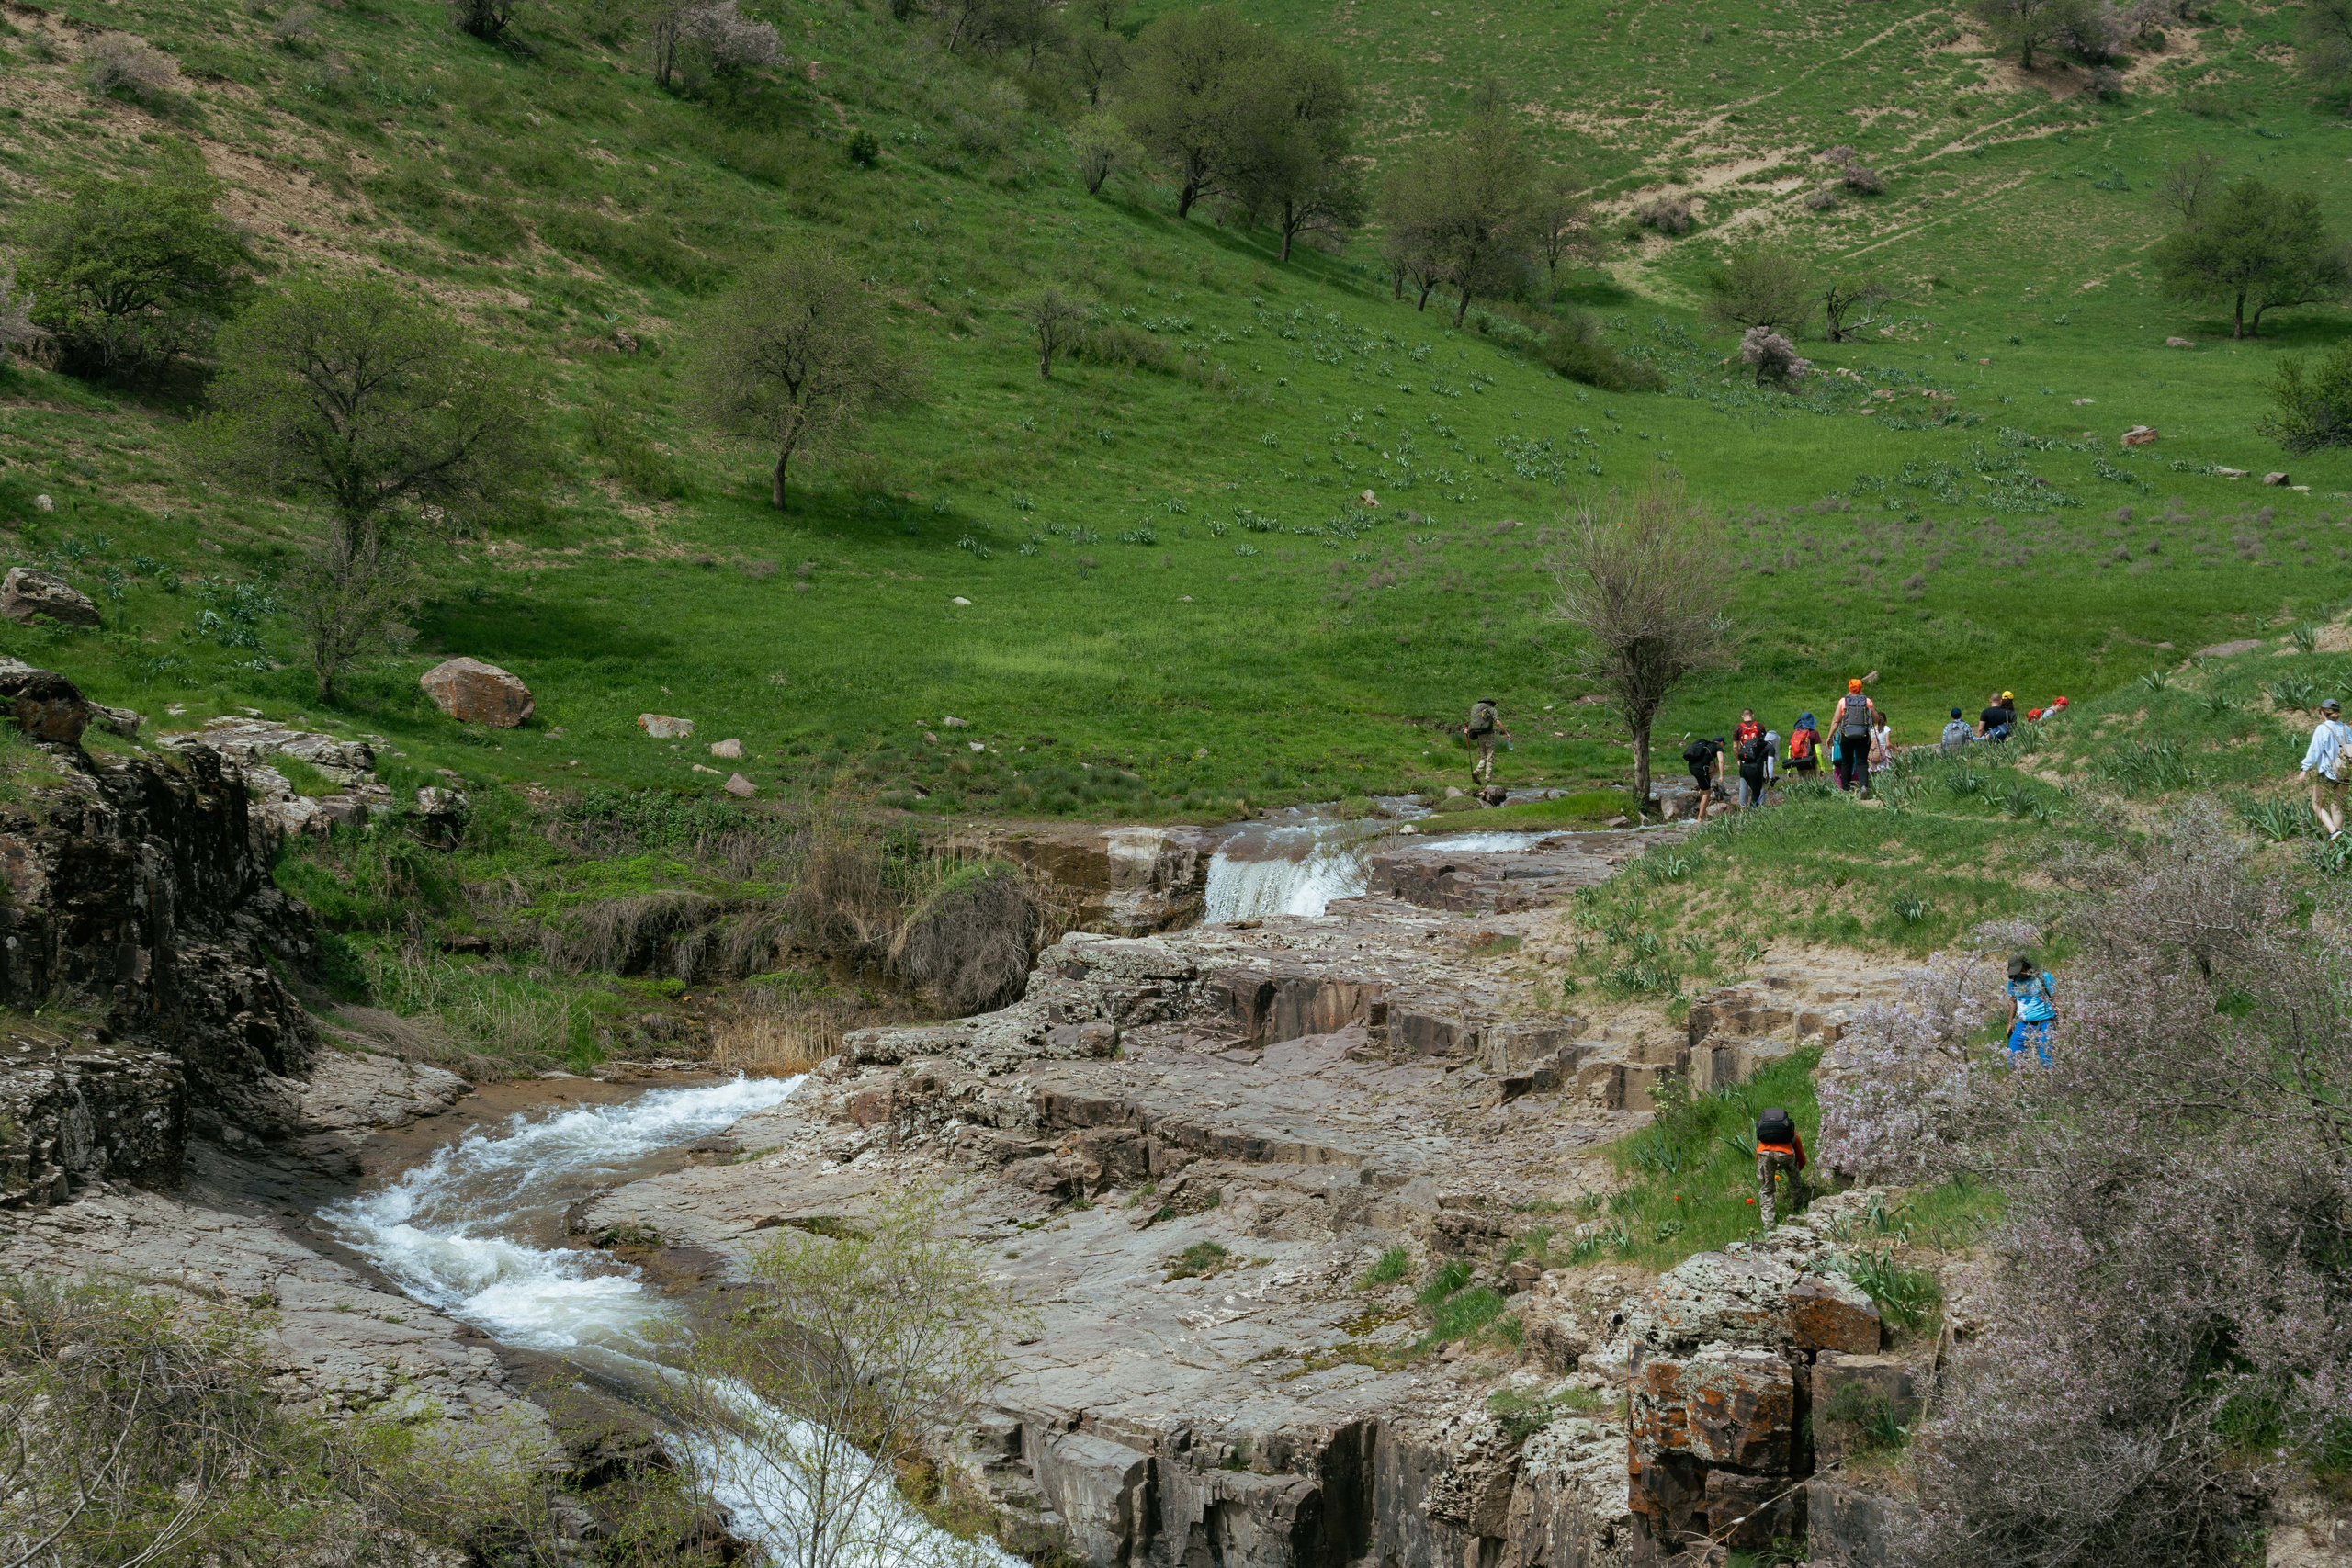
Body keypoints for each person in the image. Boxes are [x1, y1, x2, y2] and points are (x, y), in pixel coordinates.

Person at [2301, 695, 2352, 840]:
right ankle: (2338, 843)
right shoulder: (2346, 728)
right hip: (2346, 772)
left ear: (2322, 713)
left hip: (2328, 773)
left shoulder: (2322, 729)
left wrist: (2305, 769)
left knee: (2317, 805)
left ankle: (2333, 831)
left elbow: (2314, 751)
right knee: (2336, 807)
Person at [1755, 1105, 1806, 1227]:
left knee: (1767, 1189)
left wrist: (1764, 1171)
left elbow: (1759, 1156)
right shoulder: (1791, 1133)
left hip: (1764, 1153)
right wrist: (1797, 1170)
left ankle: (1768, 1225)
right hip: (1786, 1154)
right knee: (1794, 1181)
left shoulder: (1764, 1135)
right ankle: (1798, 1210)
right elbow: (1800, 1154)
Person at [2006, 953, 2057, 1066]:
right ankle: (2020, 1081)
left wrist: (2063, 1019)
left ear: (2026, 965)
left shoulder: (2043, 977)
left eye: (2020, 970)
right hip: (2023, 1024)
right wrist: (2010, 1022)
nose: (2019, 973)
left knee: (2047, 1058)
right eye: (2016, 971)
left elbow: (2056, 997)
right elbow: (2013, 1001)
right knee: (2014, 1055)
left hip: (2045, 1022)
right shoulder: (2013, 981)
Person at [1831, 680, 1877, 795]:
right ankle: (1864, 787)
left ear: (1849, 688)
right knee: (1861, 762)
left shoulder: (1843, 702)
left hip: (1846, 736)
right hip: (1863, 736)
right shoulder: (1867, 701)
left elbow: (1836, 720)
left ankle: (1846, 790)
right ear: (1861, 688)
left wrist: (1829, 736)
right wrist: (1871, 710)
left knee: (1846, 762)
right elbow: (1876, 720)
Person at [1682, 733, 1725, 822]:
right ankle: (1700, 819)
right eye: (1723, 744)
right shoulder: (1718, 747)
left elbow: (1717, 765)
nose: (1723, 746)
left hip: (1692, 766)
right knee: (1707, 793)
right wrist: (1721, 775)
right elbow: (1721, 761)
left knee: (1715, 767)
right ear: (1721, 743)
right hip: (1700, 769)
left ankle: (1702, 787)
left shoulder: (1707, 745)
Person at [1465, 697, 1500, 784]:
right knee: (1490, 756)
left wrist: (1467, 730)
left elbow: (1472, 723)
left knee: (1483, 756)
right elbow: (1498, 722)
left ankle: (1476, 772)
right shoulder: (1491, 709)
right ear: (1489, 703)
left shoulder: (1478, 710)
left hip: (1480, 735)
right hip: (1489, 735)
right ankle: (1488, 779)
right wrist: (1507, 733)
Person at [1736, 725, 1771, 809]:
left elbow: (1735, 747)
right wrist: (1769, 776)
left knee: (1744, 785)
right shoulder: (1765, 745)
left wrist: (1738, 760)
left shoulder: (1748, 743)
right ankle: (1759, 808)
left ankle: (1742, 807)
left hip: (1743, 767)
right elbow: (1768, 763)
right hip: (1755, 769)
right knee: (1758, 789)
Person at [1787, 713, 1821, 781]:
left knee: (1803, 782)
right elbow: (1818, 752)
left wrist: (1789, 770)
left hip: (1798, 762)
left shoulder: (1794, 734)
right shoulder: (1814, 733)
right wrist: (1822, 767)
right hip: (1811, 763)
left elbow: (1789, 752)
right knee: (1812, 784)